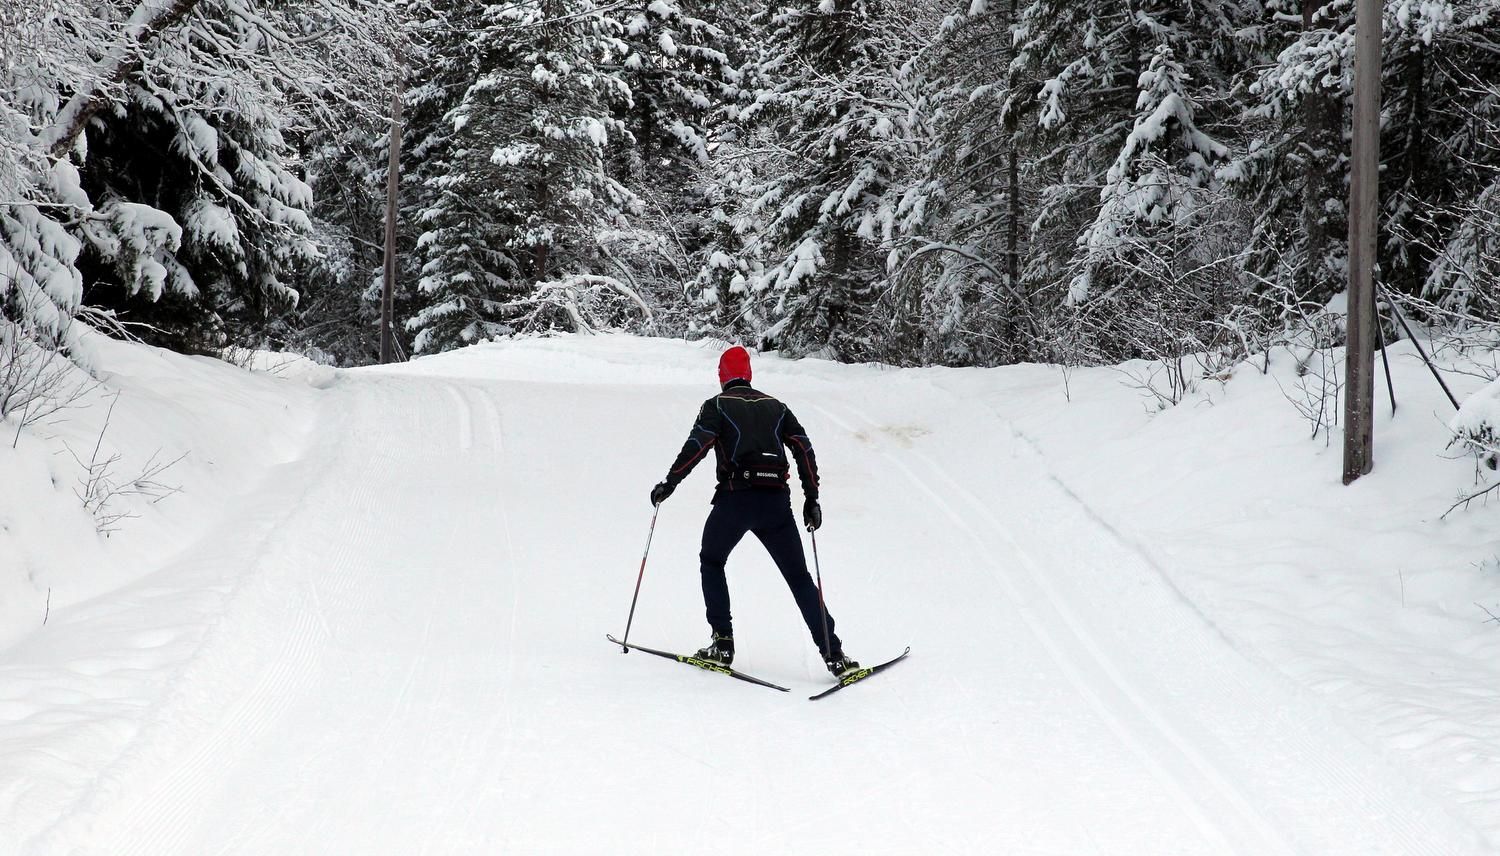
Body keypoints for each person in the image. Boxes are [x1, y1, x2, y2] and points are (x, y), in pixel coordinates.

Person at [650, 345, 859, 677]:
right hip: (776, 502)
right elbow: (803, 448)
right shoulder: (776, 407)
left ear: (722, 377)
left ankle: (722, 644)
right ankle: (835, 654)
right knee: (800, 578)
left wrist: (670, 483)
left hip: (736, 498)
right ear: (748, 375)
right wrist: (812, 498)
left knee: (712, 560)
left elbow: (697, 445)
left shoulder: (717, 405)